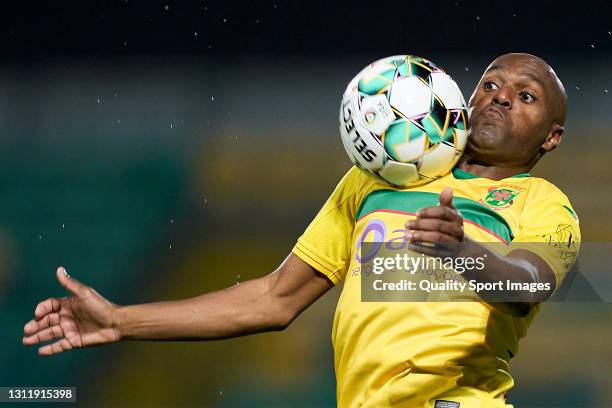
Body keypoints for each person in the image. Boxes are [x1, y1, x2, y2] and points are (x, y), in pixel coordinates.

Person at [23, 53, 580, 408]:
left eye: (524, 95)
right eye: (489, 83)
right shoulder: (371, 181)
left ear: (550, 138)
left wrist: (462, 250)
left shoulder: (545, 205)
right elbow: (272, 299)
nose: (499, 96)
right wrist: (122, 320)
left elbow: (529, 284)